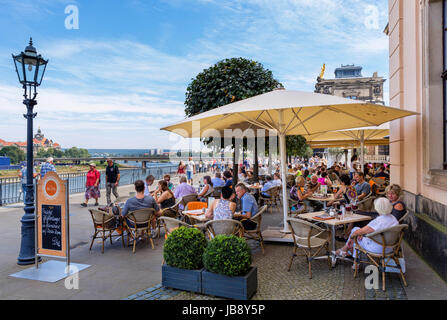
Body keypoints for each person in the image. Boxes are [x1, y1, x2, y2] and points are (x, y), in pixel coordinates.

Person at [334, 197, 399, 259]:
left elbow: (357, 232)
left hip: (377, 248)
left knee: (355, 230)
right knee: (358, 234)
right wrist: (361, 234)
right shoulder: (393, 219)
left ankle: (346, 252)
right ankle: (347, 252)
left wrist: (351, 238)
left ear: (377, 208)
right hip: (390, 247)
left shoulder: (378, 221)